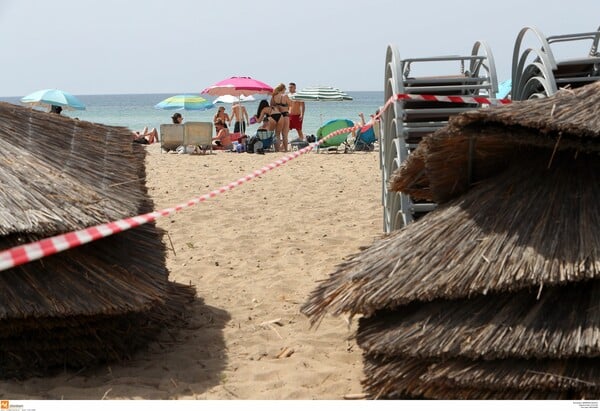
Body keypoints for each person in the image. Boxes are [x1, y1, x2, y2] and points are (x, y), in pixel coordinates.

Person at [270, 83, 292, 152]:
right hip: (285, 115)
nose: (285, 90)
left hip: (277, 116)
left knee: (277, 134)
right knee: (285, 134)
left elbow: (271, 106)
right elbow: (291, 104)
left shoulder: (274, 96)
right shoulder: (285, 96)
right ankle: (285, 149)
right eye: (285, 89)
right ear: (282, 89)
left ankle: (278, 150)